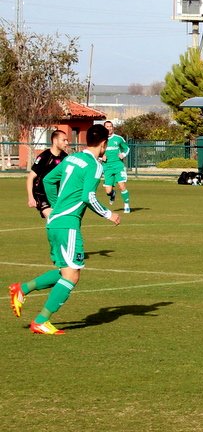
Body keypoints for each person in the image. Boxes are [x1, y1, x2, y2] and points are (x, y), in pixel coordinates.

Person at [8, 124, 121, 335]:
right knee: (72, 276)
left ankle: (21, 289)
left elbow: (49, 179)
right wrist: (109, 214)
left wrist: (54, 207)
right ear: (104, 143)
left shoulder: (71, 158)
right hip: (68, 225)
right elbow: (89, 196)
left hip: (54, 222)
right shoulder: (94, 166)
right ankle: (41, 321)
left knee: (65, 271)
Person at [26, 130, 69, 219]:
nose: (66, 143)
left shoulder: (65, 157)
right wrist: (31, 197)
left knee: (59, 221)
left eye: (67, 140)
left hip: (56, 194)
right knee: (53, 218)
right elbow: (30, 177)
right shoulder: (44, 156)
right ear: (55, 140)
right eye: (63, 140)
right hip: (41, 194)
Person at [101, 120, 131, 213]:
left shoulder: (118, 138)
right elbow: (96, 151)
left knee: (122, 186)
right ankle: (112, 194)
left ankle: (126, 205)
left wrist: (123, 154)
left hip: (118, 165)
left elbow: (127, 148)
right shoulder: (100, 139)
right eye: (107, 126)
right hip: (107, 167)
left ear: (112, 127)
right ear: (104, 128)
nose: (109, 128)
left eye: (110, 126)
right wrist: (101, 156)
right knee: (108, 191)